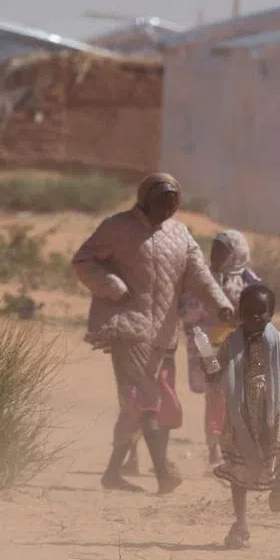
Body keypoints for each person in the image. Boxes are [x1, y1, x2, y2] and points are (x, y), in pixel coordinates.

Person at [72, 173, 233, 495]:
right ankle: (163, 472)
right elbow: (83, 260)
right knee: (145, 399)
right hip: (127, 324)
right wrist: (111, 286)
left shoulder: (179, 234)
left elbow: (199, 275)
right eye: (162, 201)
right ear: (145, 199)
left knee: (143, 402)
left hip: (163, 331)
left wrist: (221, 305)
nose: (168, 208)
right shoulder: (117, 227)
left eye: (173, 203)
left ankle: (112, 473)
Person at [208, 284, 280, 549]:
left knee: (277, 452)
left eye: (261, 313)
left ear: (271, 314)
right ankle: (240, 524)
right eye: (248, 312)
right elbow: (217, 370)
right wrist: (209, 369)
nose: (254, 318)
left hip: (273, 412)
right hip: (240, 415)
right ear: (239, 313)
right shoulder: (232, 343)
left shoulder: (278, 341)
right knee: (238, 467)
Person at [180, 230, 262, 465]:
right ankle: (214, 448)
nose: (216, 255)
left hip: (238, 345)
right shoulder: (203, 278)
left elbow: (261, 310)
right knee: (215, 395)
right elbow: (186, 309)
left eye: (222, 251)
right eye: (214, 249)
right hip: (207, 345)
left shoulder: (248, 280)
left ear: (236, 254)